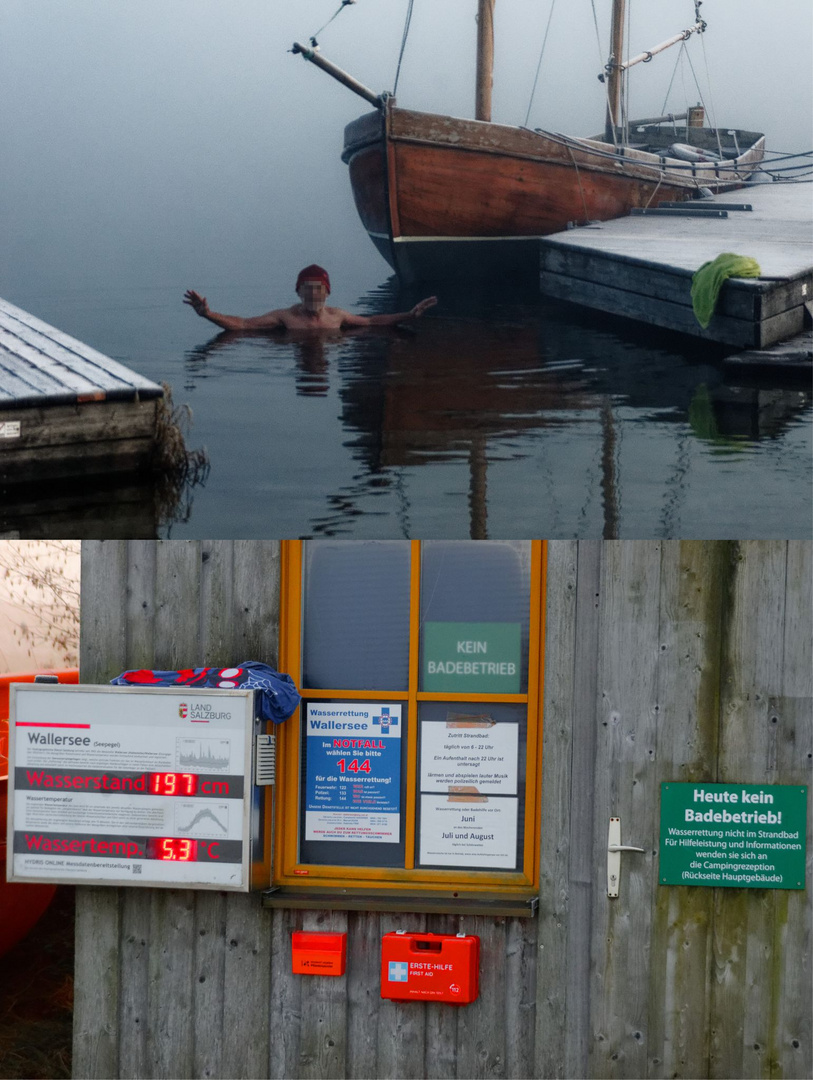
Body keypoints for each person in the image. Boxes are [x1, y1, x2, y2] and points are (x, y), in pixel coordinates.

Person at [184, 264, 437, 331]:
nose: (313, 294)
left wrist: (408, 315)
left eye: (318, 288)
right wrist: (208, 314)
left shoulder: (337, 317)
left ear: (327, 292)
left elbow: (372, 322)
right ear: (298, 292)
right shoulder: (286, 317)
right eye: (307, 288)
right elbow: (243, 325)